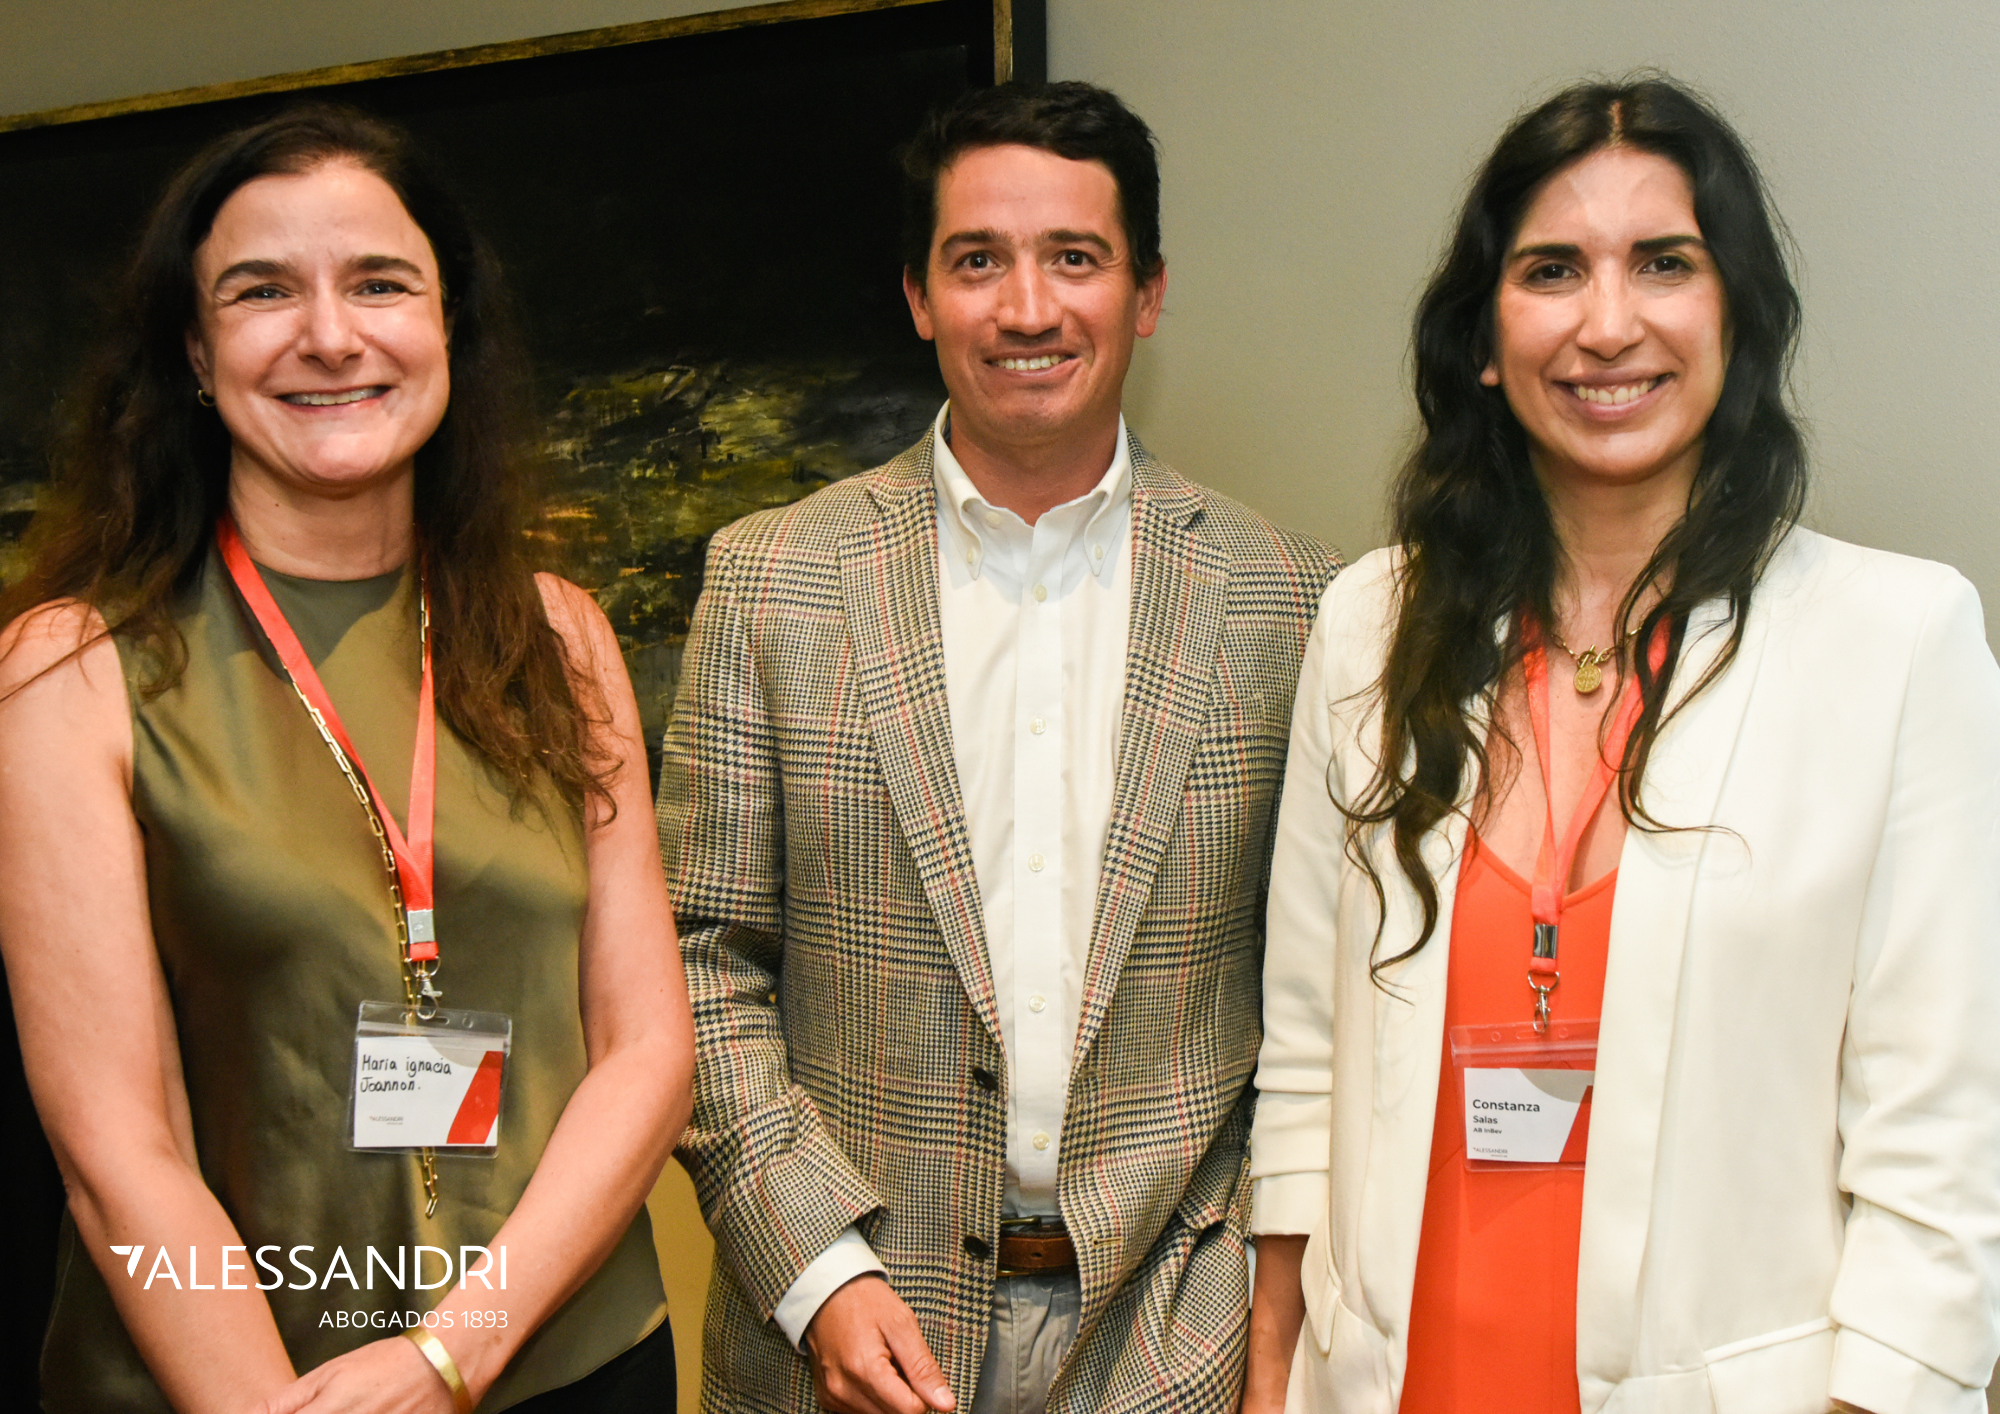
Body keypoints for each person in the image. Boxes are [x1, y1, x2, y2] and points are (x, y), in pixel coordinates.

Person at [1243, 74, 2000, 1414]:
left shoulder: (1898, 643)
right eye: (1551, 269)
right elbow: (1306, 1061)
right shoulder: (1368, 625)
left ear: (1736, 316)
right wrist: (1271, 1370)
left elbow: (1942, 1141)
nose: (1607, 324)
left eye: (1664, 263)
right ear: (1486, 336)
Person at [658, 81, 1338, 1414]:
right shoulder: (773, 580)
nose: (1028, 308)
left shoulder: (1291, 600)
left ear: (1148, 292)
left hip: (1172, 1343)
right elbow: (697, 958)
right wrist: (816, 1270)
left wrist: (1249, 1312)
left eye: (1075, 258)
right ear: (919, 296)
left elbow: (1316, 1008)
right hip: (838, 1336)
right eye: (978, 262)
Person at [0, 106, 693, 1413]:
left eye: (380, 283)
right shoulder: (70, 669)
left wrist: (450, 1356)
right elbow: (118, 1149)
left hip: (566, 1360)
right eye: (263, 291)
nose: (329, 334)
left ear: (448, 327)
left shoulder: (558, 637)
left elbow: (647, 1050)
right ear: (196, 350)